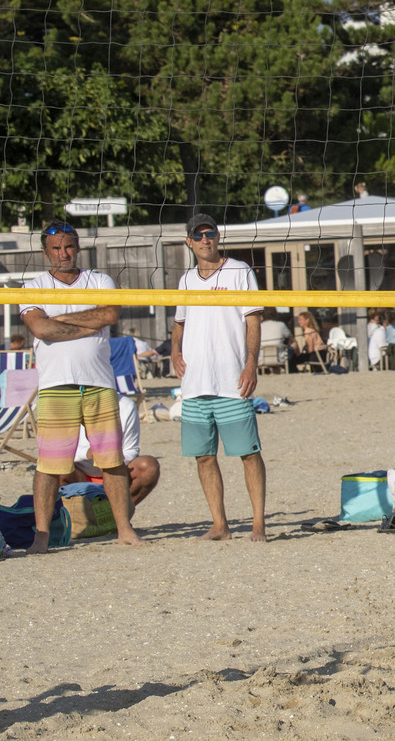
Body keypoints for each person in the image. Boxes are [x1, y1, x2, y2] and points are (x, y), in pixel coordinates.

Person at [19, 221, 142, 550]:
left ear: (78, 247)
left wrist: (59, 319)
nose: (63, 253)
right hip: (57, 385)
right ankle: (42, 536)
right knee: (48, 465)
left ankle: (124, 529)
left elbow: (110, 316)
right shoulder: (33, 286)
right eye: (56, 248)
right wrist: (88, 323)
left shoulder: (99, 280)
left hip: (99, 384)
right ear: (45, 253)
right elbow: (41, 330)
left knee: (112, 460)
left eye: (69, 246)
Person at [172, 214, 269, 542]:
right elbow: (180, 322)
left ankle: (258, 523)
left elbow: (253, 319)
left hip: (231, 379)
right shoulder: (186, 279)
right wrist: (174, 352)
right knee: (203, 456)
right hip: (195, 382)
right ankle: (220, 524)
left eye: (209, 233)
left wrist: (251, 362)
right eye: (198, 235)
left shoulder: (239, 270)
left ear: (217, 236)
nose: (204, 240)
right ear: (189, 242)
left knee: (248, 453)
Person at [67, 382, 161, 507]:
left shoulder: (125, 405)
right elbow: (58, 451)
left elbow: (131, 450)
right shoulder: (69, 403)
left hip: (117, 472)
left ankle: (120, 513)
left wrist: (114, 459)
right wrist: (89, 453)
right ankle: (77, 517)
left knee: (149, 466)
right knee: (58, 469)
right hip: (80, 475)